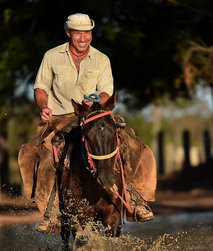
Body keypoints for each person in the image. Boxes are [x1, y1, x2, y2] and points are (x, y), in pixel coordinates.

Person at [18, 13, 157, 234]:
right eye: (78, 33)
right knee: (43, 150)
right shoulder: (52, 56)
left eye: (87, 32)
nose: (83, 38)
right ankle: (51, 211)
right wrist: (43, 106)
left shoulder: (102, 59)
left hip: (96, 114)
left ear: (91, 33)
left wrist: (95, 101)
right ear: (68, 33)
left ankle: (134, 198)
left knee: (130, 142)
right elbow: (40, 88)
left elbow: (106, 91)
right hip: (62, 117)